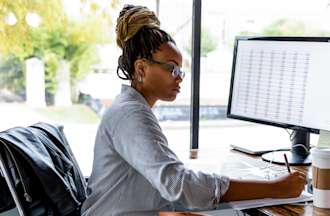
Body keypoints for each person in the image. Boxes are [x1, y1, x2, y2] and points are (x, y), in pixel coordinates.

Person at [81, 4, 306, 216]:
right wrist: (276, 188)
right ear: (141, 68)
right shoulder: (130, 114)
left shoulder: (131, 108)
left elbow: (158, 183)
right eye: (171, 68)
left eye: (180, 70)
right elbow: (180, 185)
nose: (179, 77)